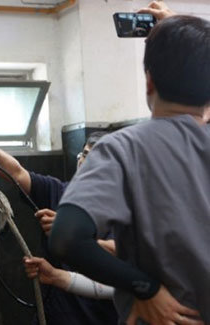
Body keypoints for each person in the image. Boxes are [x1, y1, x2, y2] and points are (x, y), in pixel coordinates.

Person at [49, 2, 210, 324]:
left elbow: (66, 238)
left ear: (149, 81)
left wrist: (145, 288)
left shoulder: (123, 149)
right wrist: (184, 32)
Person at [0, 128, 117, 324]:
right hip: (55, 314)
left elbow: (122, 252)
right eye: (84, 154)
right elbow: (17, 173)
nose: (84, 162)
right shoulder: (58, 191)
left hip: (97, 316)